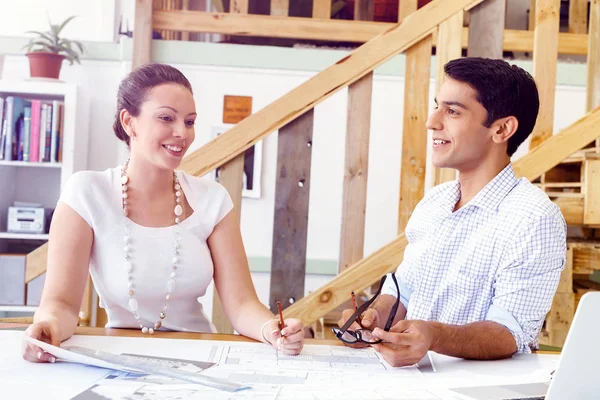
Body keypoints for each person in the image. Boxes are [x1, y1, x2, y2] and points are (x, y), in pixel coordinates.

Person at [22, 63, 304, 363]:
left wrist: (270, 329)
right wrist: (48, 327)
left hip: (199, 360)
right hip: (119, 358)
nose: (182, 133)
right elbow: (61, 305)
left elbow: (242, 304)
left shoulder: (213, 200)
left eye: (190, 121)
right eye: (166, 118)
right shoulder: (87, 192)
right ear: (130, 122)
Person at [337, 57, 567, 367]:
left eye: (453, 111)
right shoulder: (435, 202)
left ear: (501, 129)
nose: (432, 121)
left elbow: (510, 333)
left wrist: (432, 335)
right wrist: (374, 315)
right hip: (411, 383)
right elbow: (402, 293)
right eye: (437, 106)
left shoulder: (534, 218)